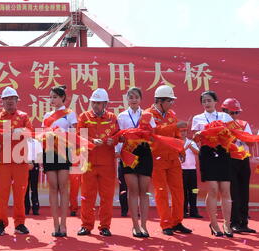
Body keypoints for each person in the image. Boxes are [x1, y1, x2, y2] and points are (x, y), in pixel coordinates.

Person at [146, 85, 192, 236]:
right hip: (157, 159)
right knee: (161, 192)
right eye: (169, 101)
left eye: (172, 101)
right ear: (160, 101)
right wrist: (174, 126)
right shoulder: (148, 115)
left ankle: (177, 222)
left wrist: (181, 149)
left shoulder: (171, 114)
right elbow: (153, 134)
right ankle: (166, 224)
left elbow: (177, 135)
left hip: (173, 158)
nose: (172, 104)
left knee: (178, 191)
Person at [0, 87, 33, 236]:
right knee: (2, 194)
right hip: (3, 162)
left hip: (20, 161)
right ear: (2, 101)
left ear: (16, 101)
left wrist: (20, 131)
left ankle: (20, 223)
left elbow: (30, 133)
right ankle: (0, 223)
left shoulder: (23, 116)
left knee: (20, 194)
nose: (9, 102)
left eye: (12, 99)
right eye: (6, 99)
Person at [77, 88, 119, 237]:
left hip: (107, 163)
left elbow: (118, 137)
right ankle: (86, 226)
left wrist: (111, 140)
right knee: (87, 196)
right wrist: (91, 141)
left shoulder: (113, 117)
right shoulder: (84, 116)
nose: (95, 106)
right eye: (93, 103)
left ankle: (105, 226)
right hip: (88, 162)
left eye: (98, 103)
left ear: (105, 104)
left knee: (106, 197)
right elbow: (78, 136)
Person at [192, 91, 234, 237]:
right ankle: (214, 223)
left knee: (225, 190)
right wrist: (198, 136)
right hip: (208, 154)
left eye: (209, 100)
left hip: (223, 153)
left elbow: (232, 135)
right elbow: (195, 138)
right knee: (214, 189)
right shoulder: (198, 118)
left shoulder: (225, 116)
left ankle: (227, 224)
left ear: (216, 101)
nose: (206, 103)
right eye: (204, 101)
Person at [116, 87, 156, 238]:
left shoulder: (147, 115)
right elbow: (119, 137)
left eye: (136, 97)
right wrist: (119, 152)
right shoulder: (122, 116)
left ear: (140, 99)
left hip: (144, 152)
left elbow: (153, 136)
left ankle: (144, 225)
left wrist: (145, 136)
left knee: (144, 192)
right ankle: (135, 226)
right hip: (128, 153)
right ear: (127, 99)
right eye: (130, 97)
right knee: (133, 191)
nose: (133, 100)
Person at [42, 86, 77, 237]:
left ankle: (64, 224)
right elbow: (43, 134)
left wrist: (63, 133)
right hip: (50, 151)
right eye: (50, 97)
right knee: (52, 188)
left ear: (63, 97)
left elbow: (75, 134)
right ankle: (55, 224)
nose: (52, 100)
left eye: (55, 97)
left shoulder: (70, 114)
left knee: (63, 187)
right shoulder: (47, 115)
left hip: (64, 151)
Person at [221, 98, 256, 234]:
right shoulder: (221, 124)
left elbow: (251, 143)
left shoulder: (243, 124)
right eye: (232, 113)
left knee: (244, 191)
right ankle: (234, 222)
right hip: (229, 160)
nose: (234, 116)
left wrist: (243, 137)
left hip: (243, 159)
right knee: (233, 192)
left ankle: (243, 222)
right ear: (224, 111)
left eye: (236, 113)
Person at [181, 128, 202, 219]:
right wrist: (185, 147)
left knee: (194, 191)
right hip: (181, 170)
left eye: (185, 131)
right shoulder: (177, 141)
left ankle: (194, 211)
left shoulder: (191, 142)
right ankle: (183, 211)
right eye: (181, 131)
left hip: (192, 170)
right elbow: (178, 153)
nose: (183, 133)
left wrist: (190, 146)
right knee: (183, 191)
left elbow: (198, 152)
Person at [25, 137, 42, 216]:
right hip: (24, 164)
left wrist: (34, 163)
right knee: (25, 187)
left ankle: (35, 208)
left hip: (34, 164)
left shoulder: (36, 142)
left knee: (34, 187)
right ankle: (26, 208)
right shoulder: (21, 141)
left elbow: (40, 154)